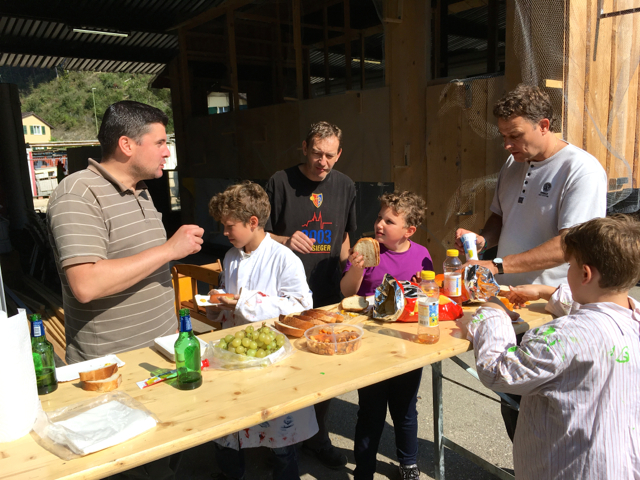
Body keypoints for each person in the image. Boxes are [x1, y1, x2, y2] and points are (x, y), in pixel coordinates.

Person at [47, 100, 204, 479]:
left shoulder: (142, 191)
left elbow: (143, 268)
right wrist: (169, 250)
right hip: (113, 376)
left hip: (156, 360)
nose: (167, 152)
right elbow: (85, 284)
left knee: (166, 456)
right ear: (127, 144)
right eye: (160, 142)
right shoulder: (77, 194)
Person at [462, 215, 640, 479]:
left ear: (585, 273)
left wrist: (492, 313)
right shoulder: (634, 318)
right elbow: (599, 313)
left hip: (571, 469)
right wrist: (547, 292)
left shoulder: (563, 336)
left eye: (570, 265)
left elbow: (498, 371)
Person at [206, 181, 317, 480]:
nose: (225, 232)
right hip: (234, 355)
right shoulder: (232, 256)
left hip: (270, 357)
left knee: (279, 433)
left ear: (253, 222)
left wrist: (244, 301)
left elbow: (300, 307)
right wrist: (218, 304)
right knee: (228, 425)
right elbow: (230, 299)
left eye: (229, 226)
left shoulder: (284, 258)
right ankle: (232, 474)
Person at [265, 121, 356, 468]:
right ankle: (280, 443)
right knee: (284, 368)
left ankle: (317, 437)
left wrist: (352, 275)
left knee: (324, 372)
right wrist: (285, 240)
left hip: (328, 293)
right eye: (317, 153)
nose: (323, 162)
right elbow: (257, 233)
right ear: (304, 148)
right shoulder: (280, 182)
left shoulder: (345, 185)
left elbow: (344, 237)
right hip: (285, 296)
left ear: (339, 154)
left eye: (330, 155)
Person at [455, 84, 607, 287]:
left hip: (552, 298)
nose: (507, 145)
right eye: (504, 136)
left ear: (543, 126)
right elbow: (501, 217)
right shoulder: (513, 162)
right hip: (505, 292)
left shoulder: (581, 170)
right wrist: (483, 241)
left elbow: (570, 245)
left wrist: (496, 265)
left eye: (516, 135)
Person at [341, 191, 433, 480]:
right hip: (370, 342)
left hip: (406, 343)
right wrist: (357, 269)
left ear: (409, 230)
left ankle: (408, 463)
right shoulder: (365, 251)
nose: (379, 225)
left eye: (389, 221)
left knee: (405, 410)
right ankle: (364, 469)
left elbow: (427, 295)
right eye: (379, 218)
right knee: (370, 411)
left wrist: (422, 287)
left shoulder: (421, 255)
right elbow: (347, 293)